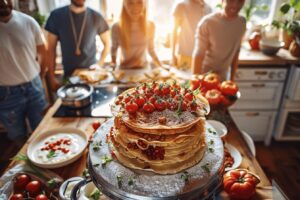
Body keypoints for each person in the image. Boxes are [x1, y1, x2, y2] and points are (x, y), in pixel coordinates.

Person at [0, 0, 47, 144]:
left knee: (42, 132)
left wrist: (40, 75)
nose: (4, 2)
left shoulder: (28, 22)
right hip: (6, 94)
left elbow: (43, 51)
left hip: (34, 87)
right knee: (18, 136)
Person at [45, 0, 110, 91]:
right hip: (68, 77)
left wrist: (99, 64)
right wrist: (51, 77)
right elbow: (50, 49)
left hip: (92, 77)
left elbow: (107, 43)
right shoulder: (56, 16)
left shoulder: (96, 16)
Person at [192, 0, 246, 81]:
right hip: (204, 77)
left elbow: (236, 52)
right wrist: (196, 83)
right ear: (222, 1)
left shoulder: (242, 22)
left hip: (223, 79)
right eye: (231, 0)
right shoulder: (208, 22)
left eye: (240, 1)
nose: (235, 5)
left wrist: (232, 80)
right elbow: (199, 54)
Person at [111, 0, 162, 69]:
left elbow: (151, 49)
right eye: (130, 3)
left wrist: (161, 65)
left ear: (144, 4)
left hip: (143, 69)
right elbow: (114, 49)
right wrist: (113, 65)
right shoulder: (116, 27)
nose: (135, 7)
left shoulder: (150, 25)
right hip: (125, 69)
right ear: (124, 4)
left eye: (139, 2)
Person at [171, 0, 211, 71]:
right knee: (184, 81)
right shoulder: (181, 5)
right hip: (185, 56)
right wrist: (172, 54)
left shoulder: (209, 8)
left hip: (203, 58)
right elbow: (174, 31)